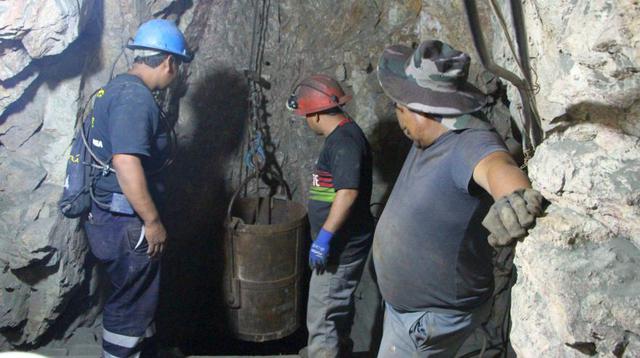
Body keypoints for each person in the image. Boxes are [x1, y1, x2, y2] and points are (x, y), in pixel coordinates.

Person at [373, 40, 544, 357]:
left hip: (429, 319)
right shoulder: (433, 133)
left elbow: (496, 165)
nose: (399, 120)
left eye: (400, 110)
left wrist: (513, 197)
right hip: (411, 312)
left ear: (424, 111)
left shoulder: (468, 141)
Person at [82, 19, 192, 357]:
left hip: (107, 215)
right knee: (129, 305)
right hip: (127, 222)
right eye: (178, 66)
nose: (177, 75)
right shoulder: (136, 99)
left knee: (135, 296)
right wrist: (152, 222)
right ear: (168, 61)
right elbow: (126, 162)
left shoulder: (114, 89)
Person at [287, 75, 375, 357]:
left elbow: (347, 193)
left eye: (304, 114)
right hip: (342, 246)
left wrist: (324, 238)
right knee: (335, 314)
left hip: (340, 249)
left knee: (323, 319)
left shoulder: (344, 142)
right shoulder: (343, 136)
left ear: (313, 114)